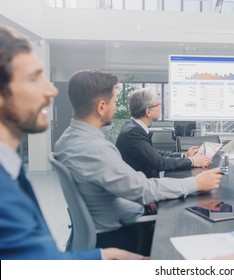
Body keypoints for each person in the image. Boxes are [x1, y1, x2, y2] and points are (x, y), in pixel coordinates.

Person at [0, 24, 147, 260]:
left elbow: (34, 261)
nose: (52, 91)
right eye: (33, 78)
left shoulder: (10, 169)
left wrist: (99, 257)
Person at [54, 69, 222, 253]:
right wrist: (196, 183)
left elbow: (127, 185)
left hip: (109, 223)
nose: (117, 107)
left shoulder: (66, 140)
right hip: (122, 234)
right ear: (101, 107)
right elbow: (143, 190)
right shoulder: (94, 148)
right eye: (115, 102)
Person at [116, 88, 212, 178]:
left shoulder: (134, 127)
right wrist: (192, 161)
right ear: (148, 112)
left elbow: (155, 154)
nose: (160, 108)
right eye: (157, 105)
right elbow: (160, 163)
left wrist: (184, 156)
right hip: (143, 190)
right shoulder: (133, 132)